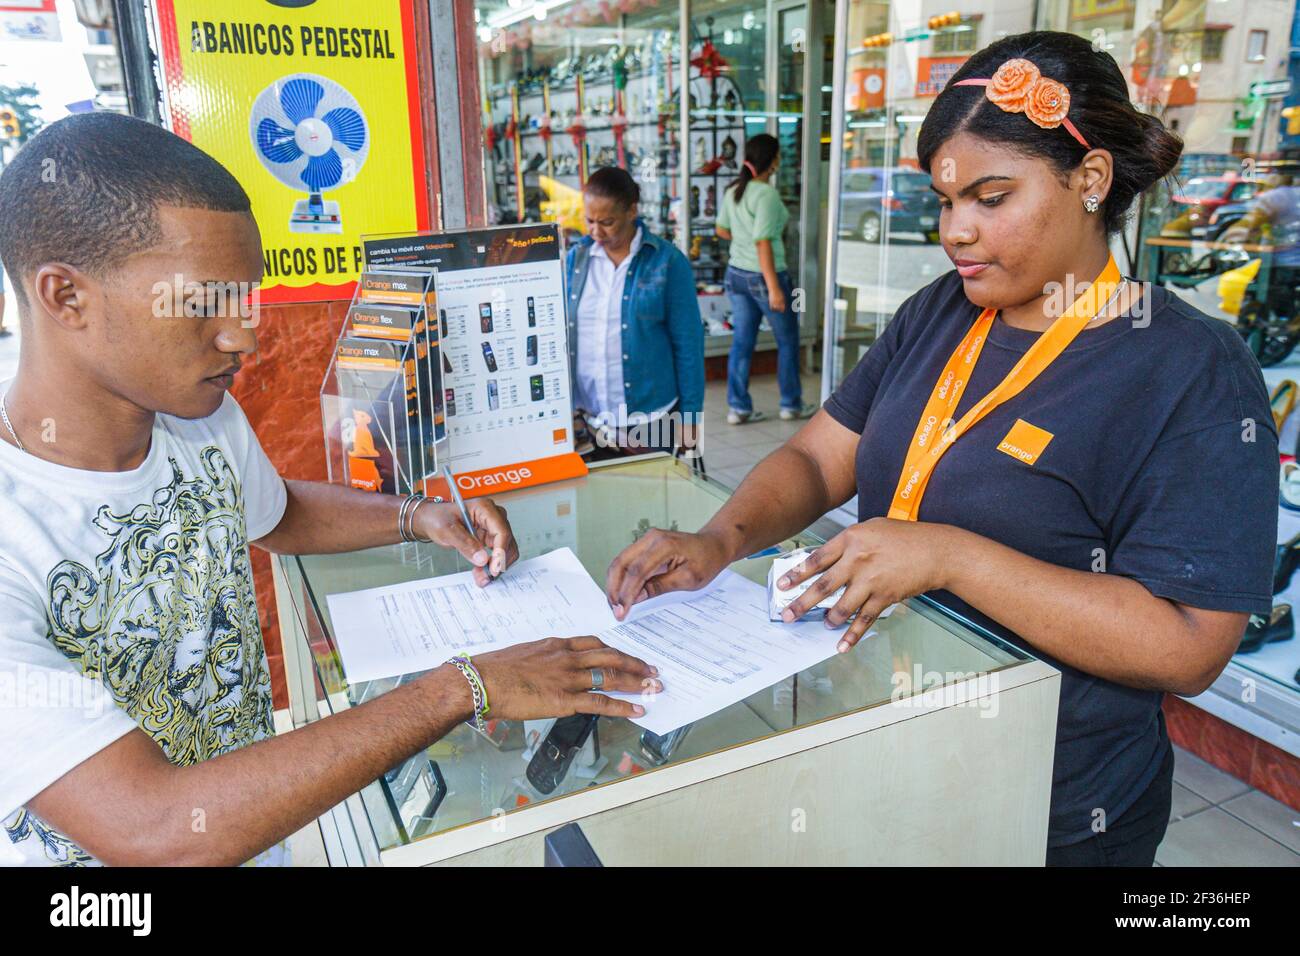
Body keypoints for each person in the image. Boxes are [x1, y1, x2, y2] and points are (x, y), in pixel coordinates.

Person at [606, 31, 1277, 866]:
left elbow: (1190, 642)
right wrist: (721, 539)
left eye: (991, 199)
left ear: (1092, 180)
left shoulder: (1188, 369)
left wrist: (951, 557)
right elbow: (819, 459)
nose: (956, 232)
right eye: (945, 202)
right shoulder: (942, 311)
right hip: (887, 748)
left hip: (1050, 805)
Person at [0, 113, 658, 867]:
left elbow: (274, 511)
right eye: (203, 303)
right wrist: (465, 687)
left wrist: (419, 516)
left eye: (244, 299)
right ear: (64, 296)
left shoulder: (197, 418)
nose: (243, 337)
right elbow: (157, 831)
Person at [565, 166, 704, 458]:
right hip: (587, 418)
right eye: (589, 221)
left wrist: (691, 420)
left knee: (651, 501)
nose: (596, 232)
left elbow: (689, 345)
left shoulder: (667, 262)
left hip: (650, 418)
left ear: (631, 211)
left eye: (607, 222)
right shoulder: (576, 260)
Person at [716, 133, 815, 424]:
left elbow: (721, 230)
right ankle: (791, 404)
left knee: (742, 342)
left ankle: (738, 407)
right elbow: (762, 242)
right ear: (773, 161)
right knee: (787, 340)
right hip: (764, 277)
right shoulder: (766, 194)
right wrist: (774, 288)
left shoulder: (735, 190)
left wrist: (742, 241)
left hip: (736, 275)